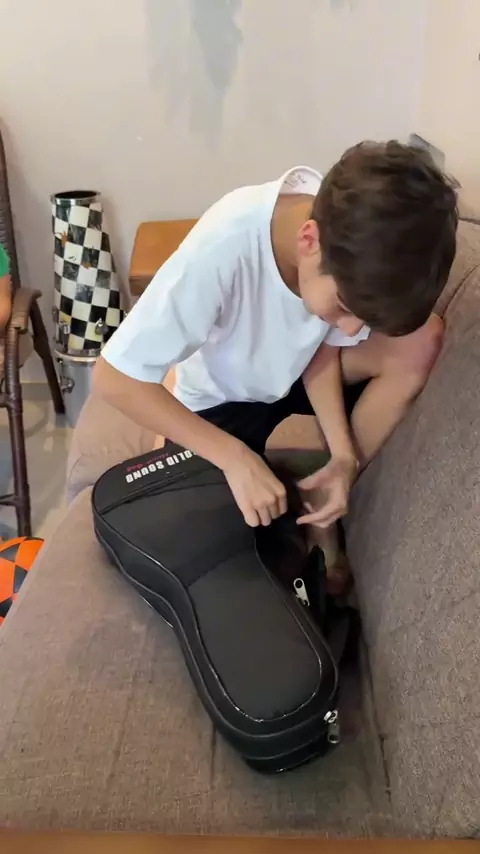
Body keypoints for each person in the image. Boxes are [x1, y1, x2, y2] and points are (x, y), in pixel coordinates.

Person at [94, 141, 458, 591]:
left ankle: (324, 505)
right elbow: (113, 377)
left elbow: (322, 349)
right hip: (221, 397)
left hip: (295, 371)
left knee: (421, 338)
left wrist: (343, 455)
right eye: (346, 307)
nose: (353, 328)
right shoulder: (225, 244)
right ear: (308, 240)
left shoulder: (351, 234)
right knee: (222, 562)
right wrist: (233, 457)